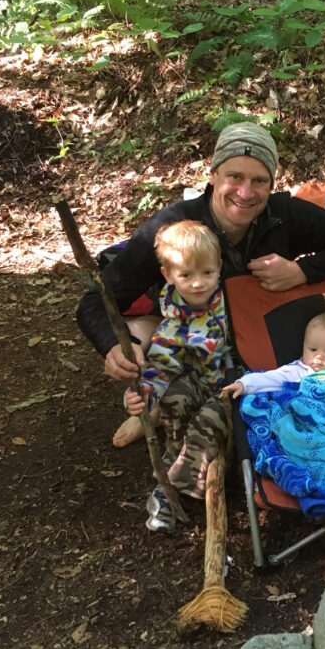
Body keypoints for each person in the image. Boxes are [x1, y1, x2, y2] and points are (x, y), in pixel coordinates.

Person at [76, 121, 325, 386]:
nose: (245, 193)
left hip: (268, 341)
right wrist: (112, 344)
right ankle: (157, 403)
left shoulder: (282, 214)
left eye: (259, 181)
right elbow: (96, 300)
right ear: (213, 175)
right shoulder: (173, 229)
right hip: (196, 337)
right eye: (235, 177)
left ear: (271, 184)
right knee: (138, 334)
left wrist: (303, 271)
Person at [122, 220, 228, 533]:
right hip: (199, 384)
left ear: (219, 267)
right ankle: (180, 459)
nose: (199, 284)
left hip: (234, 387)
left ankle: (167, 490)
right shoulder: (172, 325)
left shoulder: (232, 301)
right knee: (175, 395)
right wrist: (141, 396)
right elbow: (159, 370)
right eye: (186, 275)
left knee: (212, 414)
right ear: (168, 275)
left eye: (207, 273)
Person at [222, 310, 325, 398]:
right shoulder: (299, 371)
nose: (319, 357)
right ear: (303, 347)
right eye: (312, 349)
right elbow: (272, 378)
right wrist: (244, 384)